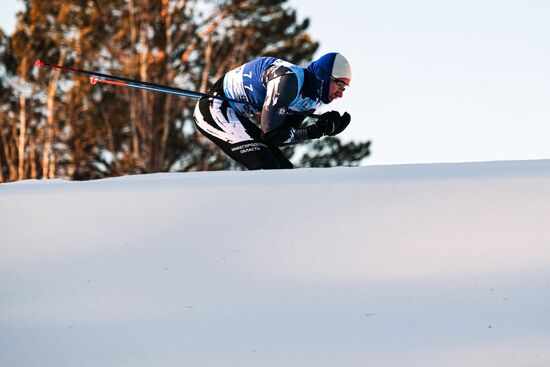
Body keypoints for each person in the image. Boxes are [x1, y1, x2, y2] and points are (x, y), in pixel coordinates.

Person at [193, 52, 352, 169]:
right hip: (214, 107)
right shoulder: (288, 79)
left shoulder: (311, 101)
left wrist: (319, 131)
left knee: (284, 170)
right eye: (339, 85)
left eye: (344, 88)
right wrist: (314, 131)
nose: (341, 94)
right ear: (322, 75)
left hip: (236, 114)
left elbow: (279, 137)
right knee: (267, 167)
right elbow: (270, 133)